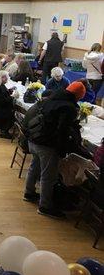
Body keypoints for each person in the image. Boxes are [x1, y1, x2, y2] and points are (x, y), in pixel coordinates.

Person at [23, 81, 89, 219]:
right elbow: (62, 131)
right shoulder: (69, 107)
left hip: (34, 139)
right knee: (48, 176)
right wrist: (61, 150)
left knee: (34, 167)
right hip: (47, 145)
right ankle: (45, 206)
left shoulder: (52, 98)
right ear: (78, 96)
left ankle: (29, 193)